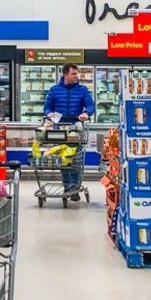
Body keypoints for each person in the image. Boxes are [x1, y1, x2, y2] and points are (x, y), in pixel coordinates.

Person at [42, 64, 95, 200]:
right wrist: (50, 114)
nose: (76, 76)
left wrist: (86, 113)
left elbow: (90, 105)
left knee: (76, 160)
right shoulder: (54, 90)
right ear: (65, 74)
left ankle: (75, 189)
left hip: (75, 128)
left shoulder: (82, 90)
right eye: (73, 74)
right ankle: (67, 187)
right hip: (58, 128)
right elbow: (47, 108)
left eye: (77, 74)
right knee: (63, 159)